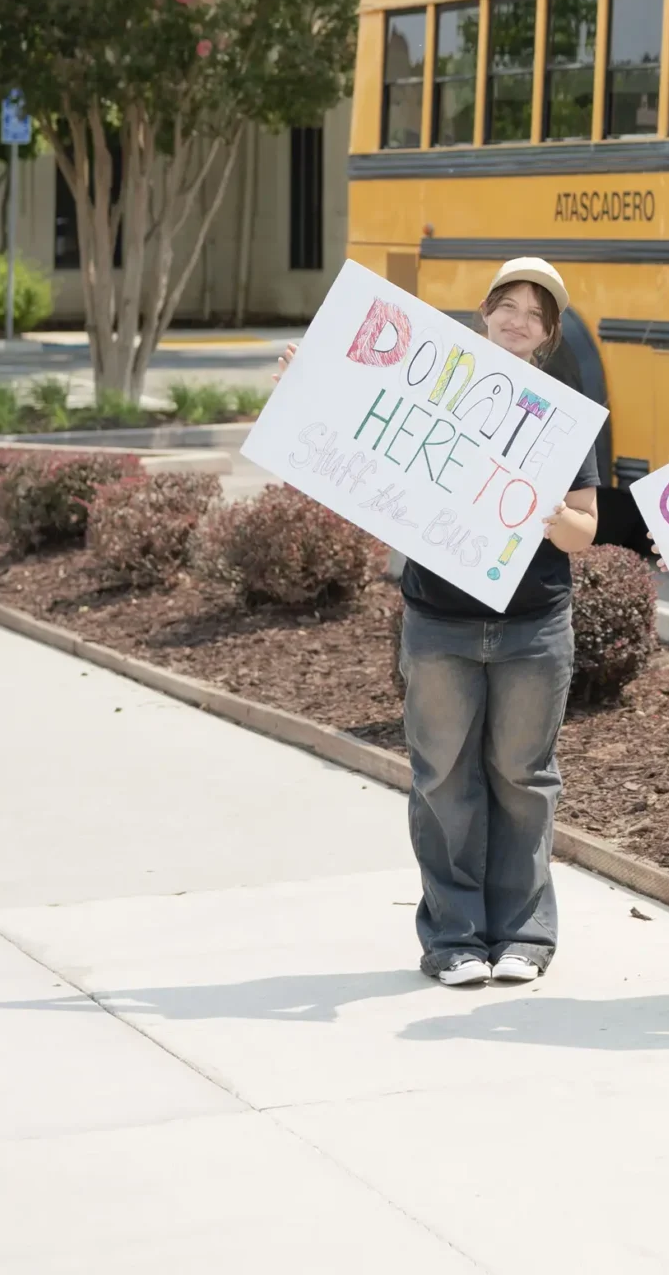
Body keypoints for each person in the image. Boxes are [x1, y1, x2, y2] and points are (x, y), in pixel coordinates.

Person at [281, 255, 599, 988]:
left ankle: (524, 935)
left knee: (523, 777)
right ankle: (453, 937)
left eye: (536, 314)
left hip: (532, 626)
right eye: (507, 305)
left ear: (547, 334)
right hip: (439, 622)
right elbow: (351, 430)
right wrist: (307, 384)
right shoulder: (435, 395)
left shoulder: (559, 416)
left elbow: (584, 527)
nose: (518, 320)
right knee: (442, 779)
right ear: (485, 312)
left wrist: (553, 518)